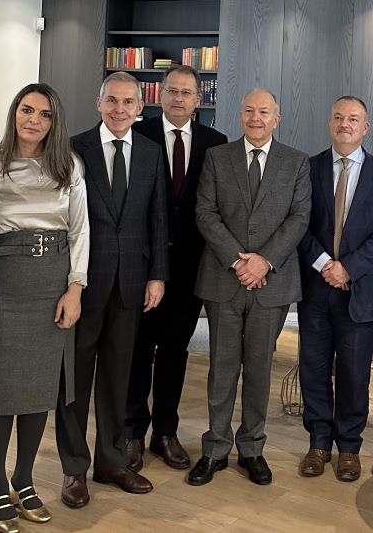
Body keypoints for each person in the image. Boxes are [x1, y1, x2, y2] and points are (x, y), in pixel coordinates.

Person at [0, 83, 88, 532]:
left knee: (37, 390)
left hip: (52, 283)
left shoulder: (69, 165)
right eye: (27, 110)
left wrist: (75, 287)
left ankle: (24, 480)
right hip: (2, 284)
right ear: (14, 113)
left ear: (55, 122)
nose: (34, 120)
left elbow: (81, 230)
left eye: (45, 114)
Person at [186, 88, 311, 487]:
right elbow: (205, 212)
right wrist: (239, 261)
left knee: (259, 370)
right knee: (221, 369)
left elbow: (299, 217)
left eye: (264, 112)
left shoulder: (296, 162)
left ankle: (252, 448)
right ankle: (215, 449)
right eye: (249, 111)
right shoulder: (217, 157)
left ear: (277, 119)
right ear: (240, 115)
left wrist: (263, 261)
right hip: (224, 278)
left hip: (271, 283)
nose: (256, 118)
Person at [55, 72, 169, 508]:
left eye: (128, 102)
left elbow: (158, 218)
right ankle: (74, 468)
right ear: (98, 103)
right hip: (83, 284)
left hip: (131, 284)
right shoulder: (73, 149)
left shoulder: (151, 152)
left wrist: (157, 275)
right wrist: (69, 282)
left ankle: (111, 461)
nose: (120, 109)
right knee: (75, 381)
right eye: (112, 101)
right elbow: (64, 218)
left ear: (140, 108)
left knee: (118, 379)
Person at [126, 65, 228, 471]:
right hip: (141, 264)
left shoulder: (215, 143)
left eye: (187, 92)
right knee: (137, 350)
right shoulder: (137, 134)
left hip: (189, 268)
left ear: (198, 99)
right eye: (172, 91)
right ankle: (132, 431)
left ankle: (165, 432)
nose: (179, 98)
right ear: (159, 95)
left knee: (174, 352)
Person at [296, 96, 373, 482]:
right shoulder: (307, 169)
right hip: (316, 288)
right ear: (330, 123)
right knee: (314, 369)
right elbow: (298, 223)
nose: (345, 124)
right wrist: (325, 264)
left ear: (365, 127)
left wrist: (348, 269)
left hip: (361, 291)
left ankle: (349, 448)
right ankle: (318, 444)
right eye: (338, 117)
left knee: (355, 375)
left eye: (353, 119)